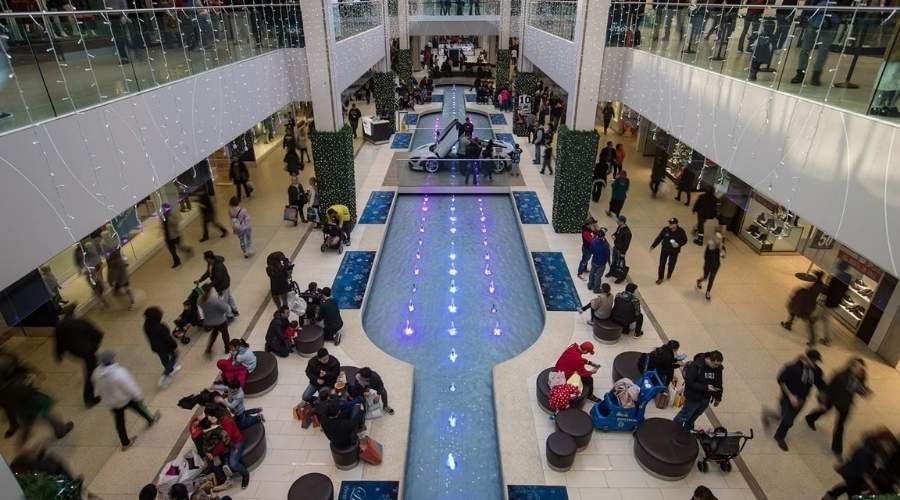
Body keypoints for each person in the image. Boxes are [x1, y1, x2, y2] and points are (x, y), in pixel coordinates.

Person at [92, 351, 160, 450]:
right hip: (124, 399)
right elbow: (130, 387)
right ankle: (151, 420)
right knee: (139, 408)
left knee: (119, 422)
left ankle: (125, 442)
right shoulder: (119, 372)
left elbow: (97, 388)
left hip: (111, 402)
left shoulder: (96, 373)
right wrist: (139, 397)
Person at [761, 349, 826, 451]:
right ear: (807, 358)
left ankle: (768, 415)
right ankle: (780, 437)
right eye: (813, 361)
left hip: (801, 400)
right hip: (787, 398)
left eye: (816, 362)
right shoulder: (792, 367)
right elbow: (781, 381)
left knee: (785, 418)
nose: (815, 364)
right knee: (788, 420)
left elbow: (821, 386)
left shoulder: (816, 371)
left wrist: (822, 402)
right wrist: (791, 396)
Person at [806, 358, 872, 457]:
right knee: (823, 411)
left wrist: (865, 392)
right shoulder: (840, 376)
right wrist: (823, 403)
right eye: (857, 367)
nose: (859, 370)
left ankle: (837, 449)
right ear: (851, 366)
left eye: (861, 368)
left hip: (846, 404)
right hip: (833, 398)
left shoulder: (861, 377)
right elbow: (828, 389)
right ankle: (810, 418)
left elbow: (859, 389)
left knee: (840, 426)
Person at [823, 430, 898, 499]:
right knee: (851, 489)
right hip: (859, 477)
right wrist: (871, 483)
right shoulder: (867, 452)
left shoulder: (873, 449)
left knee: (849, 488)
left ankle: (830, 496)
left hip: (860, 477)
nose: (888, 446)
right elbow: (862, 470)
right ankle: (830, 496)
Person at [54, 311, 103, 407]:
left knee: (93, 364)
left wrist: (59, 354)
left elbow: (58, 343)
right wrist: (95, 346)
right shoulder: (81, 322)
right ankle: (89, 399)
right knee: (90, 373)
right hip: (87, 351)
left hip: (75, 352)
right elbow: (97, 333)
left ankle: (96, 369)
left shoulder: (59, 327)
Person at [673, 351, 724, 430]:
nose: (717, 367)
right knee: (684, 416)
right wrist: (705, 387)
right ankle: (673, 430)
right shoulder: (695, 366)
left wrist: (718, 398)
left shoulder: (718, 368)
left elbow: (719, 383)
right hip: (693, 398)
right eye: (715, 364)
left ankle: (687, 431)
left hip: (705, 399)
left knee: (693, 417)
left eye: (718, 365)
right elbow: (689, 382)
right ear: (709, 359)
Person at [781, 273, 825, 346]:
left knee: (808, 322)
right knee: (794, 313)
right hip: (807, 305)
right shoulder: (820, 285)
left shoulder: (817, 285)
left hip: (806, 306)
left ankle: (813, 340)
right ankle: (788, 324)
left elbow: (811, 295)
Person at [142, 307, 181, 388]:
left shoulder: (146, 326)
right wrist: (175, 347)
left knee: (164, 359)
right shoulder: (161, 327)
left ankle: (170, 370)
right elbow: (168, 338)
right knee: (175, 356)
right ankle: (165, 374)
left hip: (156, 347)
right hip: (166, 347)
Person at [197, 250, 238, 317]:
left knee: (223, 301)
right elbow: (208, 273)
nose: (204, 260)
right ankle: (235, 309)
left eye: (205, 258)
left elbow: (218, 279)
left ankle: (229, 315)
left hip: (223, 285)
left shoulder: (218, 266)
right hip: (221, 284)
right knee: (229, 297)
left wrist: (209, 285)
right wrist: (200, 280)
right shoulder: (210, 263)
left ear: (209, 258)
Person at [820, 261, 852, 346]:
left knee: (826, 319)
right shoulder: (848, 277)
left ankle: (828, 340)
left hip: (830, 301)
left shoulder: (835, 278)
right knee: (824, 316)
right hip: (836, 301)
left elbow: (830, 290)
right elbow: (845, 290)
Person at [650, 217, 688, 284]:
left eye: (671, 224)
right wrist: (653, 245)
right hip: (665, 250)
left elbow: (685, 240)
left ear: (675, 224)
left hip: (674, 251)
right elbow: (659, 238)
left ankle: (669, 273)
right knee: (662, 264)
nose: (669, 225)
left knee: (671, 264)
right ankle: (660, 278)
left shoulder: (681, 232)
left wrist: (679, 244)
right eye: (669, 223)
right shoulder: (665, 230)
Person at [198, 283, 231, 356]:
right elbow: (224, 308)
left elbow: (201, 309)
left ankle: (209, 348)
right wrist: (221, 300)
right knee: (225, 334)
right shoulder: (214, 300)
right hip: (220, 321)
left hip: (209, 321)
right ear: (210, 290)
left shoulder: (200, 299)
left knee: (215, 332)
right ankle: (227, 348)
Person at [161, 204, 193, 268]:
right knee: (172, 250)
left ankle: (188, 250)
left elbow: (175, 225)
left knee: (179, 247)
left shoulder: (171, 217)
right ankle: (177, 261)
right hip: (168, 236)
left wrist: (176, 232)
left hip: (174, 236)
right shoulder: (164, 217)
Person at [696, 232, 725, 300]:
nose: (718, 240)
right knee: (705, 277)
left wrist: (722, 253)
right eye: (717, 238)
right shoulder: (710, 245)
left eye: (720, 239)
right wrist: (715, 250)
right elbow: (705, 256)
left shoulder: (721, 246)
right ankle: (699, 281)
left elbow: (724, 255)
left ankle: (708, 292)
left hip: (716, 266)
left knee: (711, 279)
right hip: (708, 265)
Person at [587, 228, 610, 293]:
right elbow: (607, 254)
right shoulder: (605, 245)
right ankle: (596, 289)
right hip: (601, 263)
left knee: (592, 273)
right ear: (603, 236)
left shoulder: (593, 241)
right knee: (598, 276)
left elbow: (591, 250)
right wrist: (609, 262)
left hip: (594, 260)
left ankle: (590, 285)